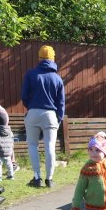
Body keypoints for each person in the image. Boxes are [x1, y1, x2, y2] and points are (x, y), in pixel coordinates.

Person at [21, 45, 65, 188]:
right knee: (50, 146)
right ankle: (50, 179)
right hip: (50, 115)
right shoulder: (57, 78)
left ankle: (37, 177)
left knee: (32, 145)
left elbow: (24, 97)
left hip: (33, 112)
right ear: (53, 58)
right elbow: (61, 103)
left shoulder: (30, 74)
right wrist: (59, 119)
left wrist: (31, 107)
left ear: (39, 58)